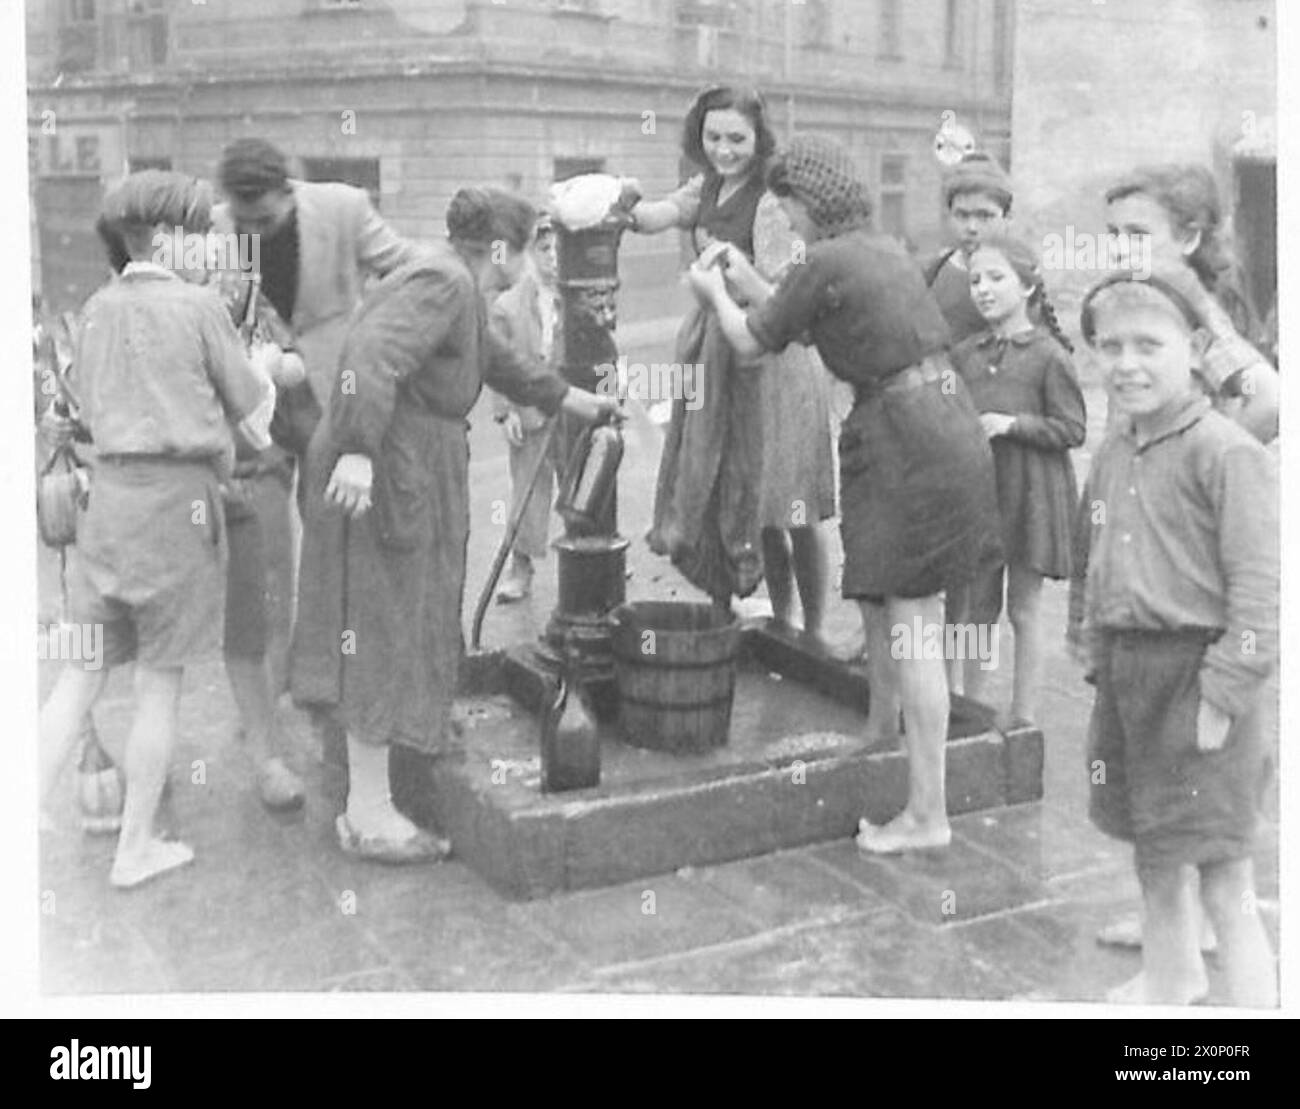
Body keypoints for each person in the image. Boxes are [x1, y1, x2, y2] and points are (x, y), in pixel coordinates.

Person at [687, 135, 1003, 854]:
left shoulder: (826, 256)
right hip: (940, 420)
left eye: (787, 208)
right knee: (900, 611)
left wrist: (712, 292)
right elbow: (797, 317)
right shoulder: (877, 246)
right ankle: (893, 751)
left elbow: (753, 343)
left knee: (917, 629)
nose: (787, 222)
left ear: (805, 200)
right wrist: (746, 276)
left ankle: (929, 813)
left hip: (904, 438)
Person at [288, 187, 620, 862]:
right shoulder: (444, 280)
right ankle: (370, 811)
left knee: (410, 608)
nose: (521, 264)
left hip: (410, 454)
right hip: (393, 456)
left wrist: (572, 398)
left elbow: (497, 359)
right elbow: (372, 353)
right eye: (521, 249)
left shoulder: (452, 284)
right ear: (499, 247)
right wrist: (357, 448)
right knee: (386, 615)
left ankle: (398, 751)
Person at [37, 172, 278, 887]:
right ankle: (134, 846)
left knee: (77, 679)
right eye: (201, 235)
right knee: (158, 683)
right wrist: (265, 368)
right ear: (166, 238)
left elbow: (81, 404)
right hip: (178, 512)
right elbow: (253, 413)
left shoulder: (97, 307)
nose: (211, 248)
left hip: (104, 506)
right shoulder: (201, 307)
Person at [1068, 270, 1277, 1006]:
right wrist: (1089, 641)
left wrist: (1222, 695)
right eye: (1110, 346)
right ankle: (1173, 974)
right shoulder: (1114, 449)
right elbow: (1089, 552)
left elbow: (1261, 592)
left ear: (1192, 348)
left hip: (1201, 678)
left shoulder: (1227, 452)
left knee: (1224, 872)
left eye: (1148, 345)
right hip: (1130, 677)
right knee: (1155, 847)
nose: (1127, 362)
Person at [210, 138, 417, 809]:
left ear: (289, 193)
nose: (251, 232)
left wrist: (365, 343)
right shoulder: (209, 231)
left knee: (333, 552)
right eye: (241, 223)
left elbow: (412, 275)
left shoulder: (346, 208)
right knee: (265, 569)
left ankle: (319, 683)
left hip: (331, 400)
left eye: (264, 221)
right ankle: (264, 732)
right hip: (251, 417)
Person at [620, 86, 835, 636]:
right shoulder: (710, 184)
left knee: (792, 506)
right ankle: (780, 622)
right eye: (713, 137)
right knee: (751, 500)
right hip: (721, 355)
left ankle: (812, 629)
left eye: (737, 138)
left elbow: (782, 297)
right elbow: (659, 213)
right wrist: (622, 201)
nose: (724, 149)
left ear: (759, 139)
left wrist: (730, 279)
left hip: (775, 361)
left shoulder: (770, 199)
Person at [949, 238, 1086, 727]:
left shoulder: (1049, 355)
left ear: (1027, 285)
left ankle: (1024, 720)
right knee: (972, 611)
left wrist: (1013, 425)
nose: (983, 289)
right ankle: (967, 710)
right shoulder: (964, 354)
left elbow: (1073, 429)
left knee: (1024, 611)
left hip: (1031, 494)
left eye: (996, 278)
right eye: (975, 281)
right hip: (982, 495)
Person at [1104, 164, 1277, 443]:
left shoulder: (1195, 311)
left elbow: (1268, 397)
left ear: (1188, 239)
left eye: (1138, 236)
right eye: (1114, 235)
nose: (1120, 251)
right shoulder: (1141, 305)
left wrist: (1207, 467)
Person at [489, 213, 562, 603]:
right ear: (531, 254)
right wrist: (506, 411)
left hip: (573, 409)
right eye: (545, 249)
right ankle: (521, 567)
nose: (555, 258)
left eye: (561, 249)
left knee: (589, 483)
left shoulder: (582, 293)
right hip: (531, 408)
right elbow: (498, 362)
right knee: (527, 492)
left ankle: (597, 554)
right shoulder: (508, 306)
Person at [923, 150, 1014, 343]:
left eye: (984, 216)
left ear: (1007, 219)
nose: (972, 228)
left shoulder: (1021, 279)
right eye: (962, 216)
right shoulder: (932, 275)